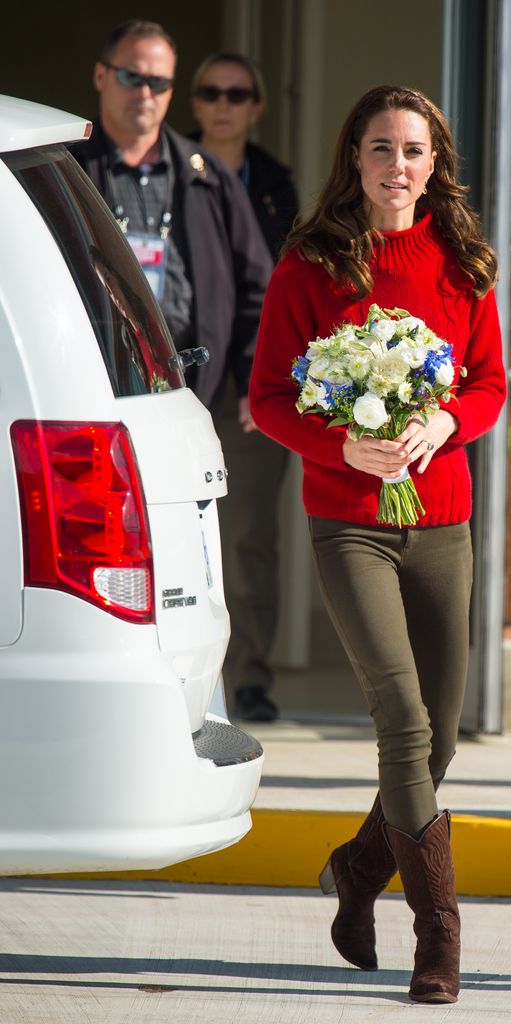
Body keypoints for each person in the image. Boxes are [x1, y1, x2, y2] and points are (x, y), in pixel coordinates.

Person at [249, 85, 506, 1003]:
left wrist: (445, 425)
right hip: (350, 524)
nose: (396, 167)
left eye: (413, 151)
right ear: (351, 159)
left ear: (434, 165)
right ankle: (437, 935)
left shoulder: (465, 261)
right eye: (378, 149)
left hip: (441, 522)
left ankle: (357, 872)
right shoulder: (310, 263)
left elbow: (485, 385)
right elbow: (269, 400)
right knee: (401, 719)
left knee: (436, 742)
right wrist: (341, 442)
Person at [69, 21, 274, 719]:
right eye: (132, 77)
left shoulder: (204, 175)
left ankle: (236, 681)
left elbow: (258, 285)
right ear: (102, 77)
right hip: (97, 397)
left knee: (225, 545)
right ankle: (124, 686)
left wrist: (250, 379)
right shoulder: (67, 169)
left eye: (157, 81)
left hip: (198, 398)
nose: (145, 94)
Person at [190, 52, 300, 722]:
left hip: (251, 389)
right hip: (175, 383)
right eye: (211, 92)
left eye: (238, 94)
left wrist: (265, 381)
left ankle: (250, 676)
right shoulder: (164, 173)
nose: (224, 104)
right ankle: (187, 679)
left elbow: (279, 290)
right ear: (195, 103)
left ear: (257, 106)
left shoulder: (275, 185)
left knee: (252, 534)